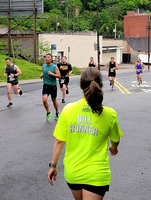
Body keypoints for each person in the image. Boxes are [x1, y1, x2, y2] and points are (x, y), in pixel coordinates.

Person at [47, 68, 123, 200]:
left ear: (81, 85)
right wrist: (113, 147)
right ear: (101, 86)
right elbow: (115, 140)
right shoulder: (110, 114)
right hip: (97, 175)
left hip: (73, 172)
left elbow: (59, 141)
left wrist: (53, 165)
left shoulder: (68, 110)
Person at [40, 53, 61, 121]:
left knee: (54, 100)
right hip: (46, 85)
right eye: (46, 57)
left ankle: (57, 112)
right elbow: (42, 72)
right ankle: (48, 112)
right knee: (44, 99)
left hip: (53, 86)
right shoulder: (43, 66)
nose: (47, 58)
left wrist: (52, 74)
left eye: (49, 57)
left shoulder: (54, 67)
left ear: (51, 59)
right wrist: (41, 75)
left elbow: (59, 76)